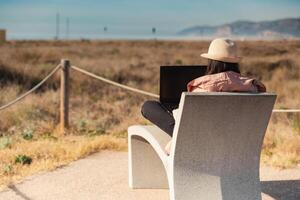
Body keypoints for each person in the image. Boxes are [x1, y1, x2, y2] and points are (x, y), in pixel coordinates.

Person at [141, 38, 266, 155]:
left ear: (211, 63)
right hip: (237, 141)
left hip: (200, 140)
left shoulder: (203, 87)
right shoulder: (252, 87)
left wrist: (175, 111)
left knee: (149, 106)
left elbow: (187, 120)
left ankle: (181, 137)